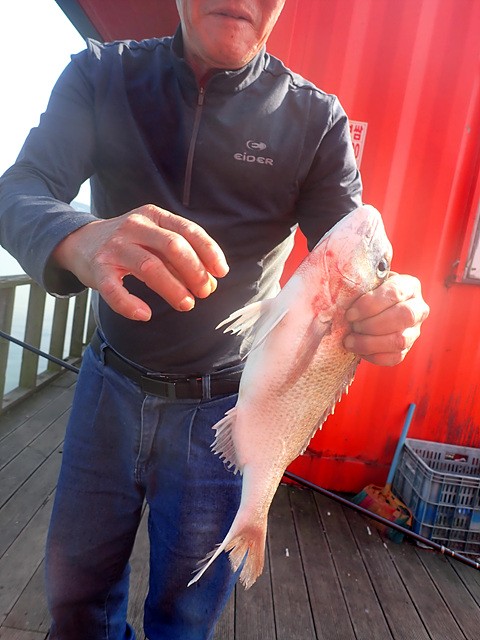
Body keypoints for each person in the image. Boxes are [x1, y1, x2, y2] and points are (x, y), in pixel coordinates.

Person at [0, 1, 429, 638]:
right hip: (107, 385)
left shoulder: (314, 120)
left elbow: (351, 252)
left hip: (227, 407)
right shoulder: (100, 74)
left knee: (185, 617)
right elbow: (20, 187)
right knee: (75, 597)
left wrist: (388, 308)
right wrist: (76, 237)